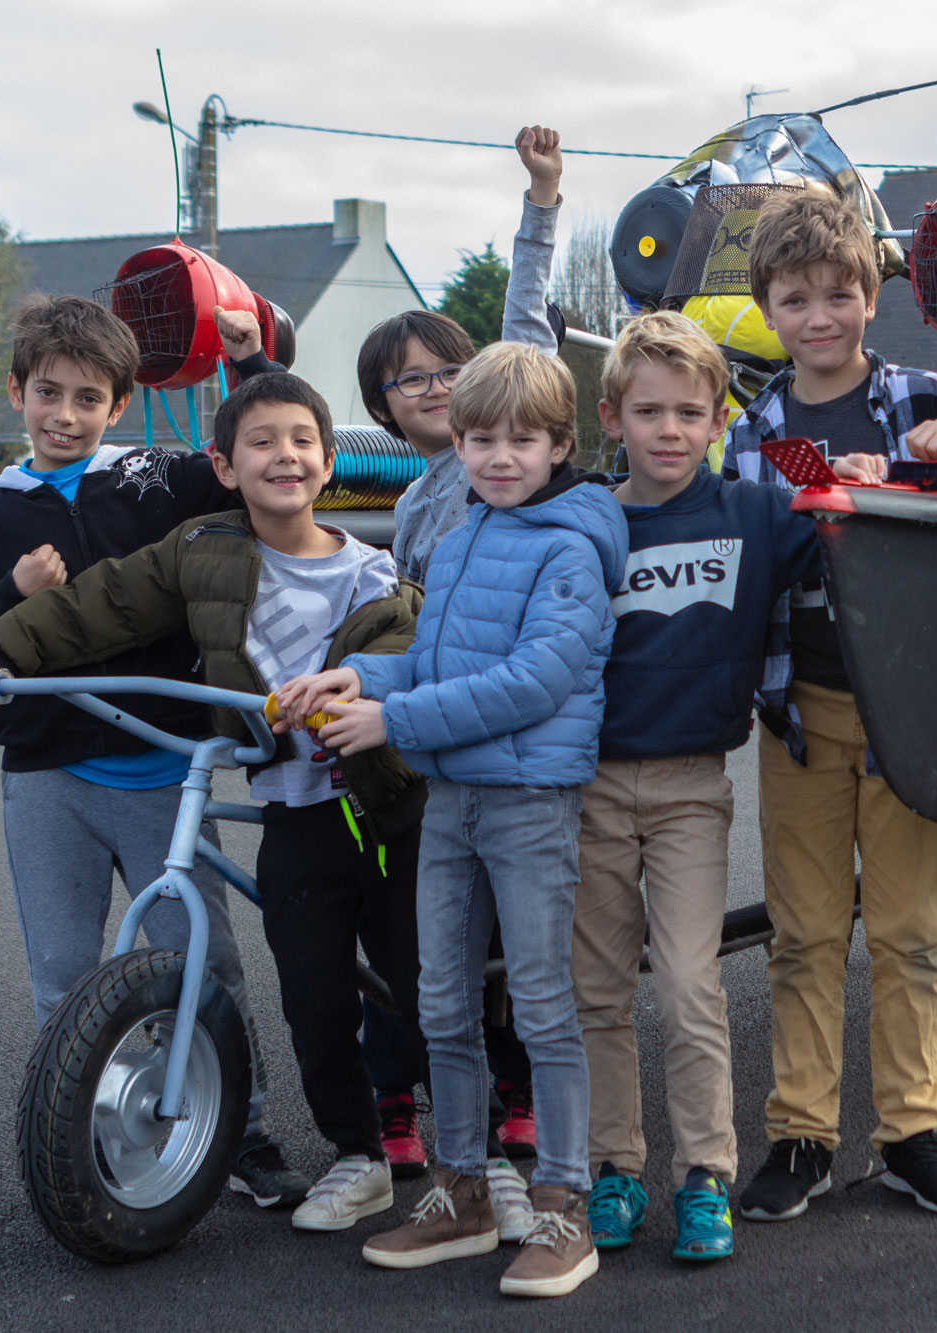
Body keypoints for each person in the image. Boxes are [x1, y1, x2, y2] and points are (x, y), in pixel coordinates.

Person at [0, 372, 431, 1236]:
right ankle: (358, 1154)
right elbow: (103, 604)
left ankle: (477, 1154)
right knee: (314, 999)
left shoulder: (375, 570)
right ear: (225, 466)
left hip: (378, 809)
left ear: (327, 463)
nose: (284, 456)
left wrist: (348, 688)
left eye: (302, 442)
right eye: (262, 442)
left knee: (421, 983)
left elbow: (403, 648)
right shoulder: (200, 547)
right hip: (293, 809)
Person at [212, 125, 567, 1217]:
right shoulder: (412, 508)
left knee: (497, 949)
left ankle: (515, 1114)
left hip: (515, 732)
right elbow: (393, 629)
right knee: (406, 945)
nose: (431, 387)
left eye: (445, 371)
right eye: (405, 379)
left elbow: (526, 329)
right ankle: (397, 1121)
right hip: (423, 752)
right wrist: (238, 360)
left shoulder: (506, 466)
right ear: (380, 403)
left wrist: (541, 203)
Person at [720, 189, 937, 1221]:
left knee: (912, 930)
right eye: (794, 300)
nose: (817, 316)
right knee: (803, 930)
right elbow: (791, 508)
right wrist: (848, 483)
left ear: (870, 298)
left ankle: (913, 1129)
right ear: (768, 312)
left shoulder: (923, 397)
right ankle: (800, 1135)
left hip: (908, 708)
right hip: (799, 710)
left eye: (837, 294)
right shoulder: (757, 429)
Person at [0, 295, 307, 1209]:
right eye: (47, 393)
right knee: (62, 973)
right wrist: (8, 598)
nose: (64, 415)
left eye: (87, 398)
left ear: (119, 406)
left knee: (201, 962)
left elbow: (253, 464)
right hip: (47, 773)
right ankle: (88, 1139)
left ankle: (243, 1130)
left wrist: (252, 367)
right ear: (16, 391)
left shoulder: (155, 480)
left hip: (161, 769)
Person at [280, 340, 626, 1299]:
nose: (499, 456)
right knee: (439, 1001)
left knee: (545, 1007)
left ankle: (562, 1208)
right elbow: (435, 658)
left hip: (528, 803)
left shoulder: (569, 547)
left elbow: (533, 682)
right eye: (480, 438)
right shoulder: (465, 531)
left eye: (522, 438)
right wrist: (364, 674)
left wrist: (390, 718)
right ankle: (462, 1191)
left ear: (562, 444)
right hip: (453, 801)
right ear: (457, 444)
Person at [572, 311, 823, 1261]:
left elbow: (848, 524)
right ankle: (615, 1167)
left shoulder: (753, 514)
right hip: (587, 783)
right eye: (647, 412)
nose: (668, 430)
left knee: (686, 982)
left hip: (689, 786)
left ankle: (705, 1174)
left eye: (689, 412)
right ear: (611, 418)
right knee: (596, 986)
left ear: (720, 420)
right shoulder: (583, 519)